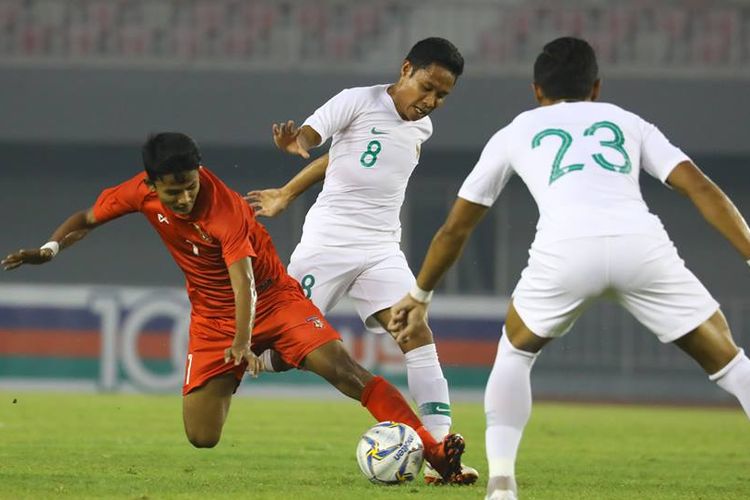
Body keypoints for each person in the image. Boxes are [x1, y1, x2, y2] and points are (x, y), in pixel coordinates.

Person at [388, 37, 750, 500]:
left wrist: (419, 296)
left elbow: (455, 229)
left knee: (515, 354)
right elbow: (699, 187)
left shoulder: (517, 130)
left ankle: (501, 485)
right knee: (731, 361)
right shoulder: (627, 121)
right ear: (595, 87)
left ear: (537, 90)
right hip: (640, 245)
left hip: (565, 250)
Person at [1, 132, 468, 482]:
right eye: (172, 192)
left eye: (189, 186)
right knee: (202, 437)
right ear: (151, 185)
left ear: (199, 172)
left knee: (347, 373)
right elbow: (86, 218)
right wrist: (51, 248)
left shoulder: (223, 207)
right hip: (211, 318)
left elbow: (242, 279)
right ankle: (263, 364)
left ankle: (435, 452)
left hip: (274, 299)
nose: (183, 198)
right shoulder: (137, 193)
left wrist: (244, 344)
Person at [245, 37, 477, 485]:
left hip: (381, 248)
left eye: (442, 96)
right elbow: (314, 140)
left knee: (413, 328)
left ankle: (441, 450)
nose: (431, 102)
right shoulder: (358, 100)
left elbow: (343, 158)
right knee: (278, 346)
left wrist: (290, 191)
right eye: (427, 87)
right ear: (406, 69)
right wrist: (297, 148)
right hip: (327, 244)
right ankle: (241, 362)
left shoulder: (421, 128)